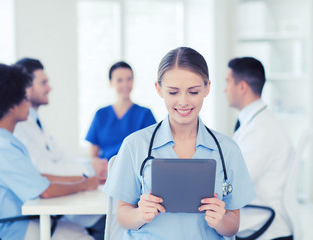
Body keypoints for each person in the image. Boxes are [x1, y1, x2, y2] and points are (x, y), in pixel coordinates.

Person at [103, 47, 255, 239]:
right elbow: (123, 216)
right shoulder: (135, 145)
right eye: (173, 92)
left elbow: (233, 226)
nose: (183, 102)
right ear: (159, 89)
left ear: (207, 88)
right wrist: (140, 214)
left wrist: (221, 220)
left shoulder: (228, 150)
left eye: (193, 92)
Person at [0, 63, 98, 240]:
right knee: (82, 236)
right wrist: (83, 185)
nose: (28, 104)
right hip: (2, 229)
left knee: (76, 229)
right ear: (12, 106)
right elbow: (46, 191)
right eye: (25, 99)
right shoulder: (3, 148)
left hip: (4, 222)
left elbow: (37, 177)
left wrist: (84, 180)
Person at [14, 58, 105, 239]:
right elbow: (43, 169)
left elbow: (59, 155)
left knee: (103, 219)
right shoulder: (20, 127)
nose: (49, 88)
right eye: (44, 83)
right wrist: (88, 171)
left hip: (50, 205)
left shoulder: (36, 121)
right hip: (33, 213)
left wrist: (89, 164)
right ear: (27, 87)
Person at [225, 57, 293, 239]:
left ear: (242, 87)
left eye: (228, 82)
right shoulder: (255, 123)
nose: (225, 89)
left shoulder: (261, 130)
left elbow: (236, 182)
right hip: (257, 223)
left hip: (267, 230)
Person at [86, 61, 156, 179]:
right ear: (110, 83)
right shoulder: (101, 115)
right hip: (107, 176)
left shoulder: (145, 114)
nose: (125, 84)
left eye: (129, 79)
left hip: (135, 175)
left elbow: (153, 151)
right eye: (119, 80)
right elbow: (93, 156)